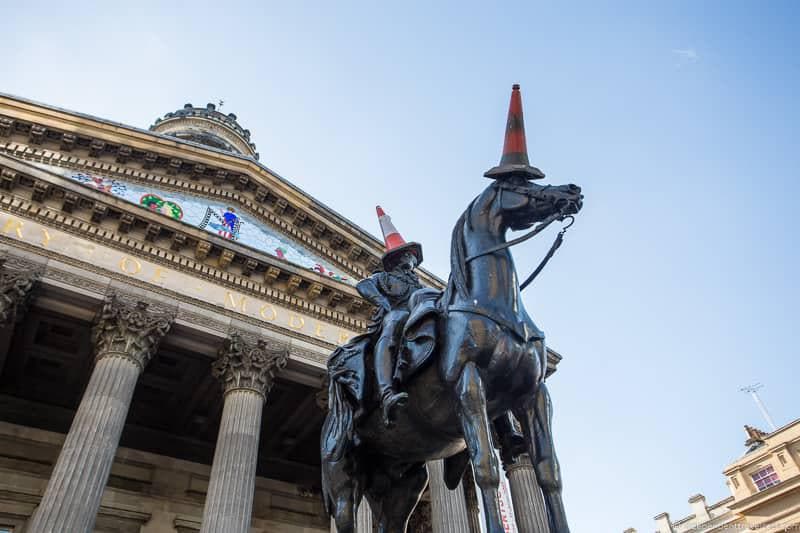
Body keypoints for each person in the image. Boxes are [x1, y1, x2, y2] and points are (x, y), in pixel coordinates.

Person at [357, 206, 423, 426]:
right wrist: (383, 302)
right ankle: (386, 394)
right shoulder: (383, 278)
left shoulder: (419, 285)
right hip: (395, 316)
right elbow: (363, 285)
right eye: (407, 254)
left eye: (413, 256)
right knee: (394, 323)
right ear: (397, 258)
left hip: (418, 318)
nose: (412, 258)